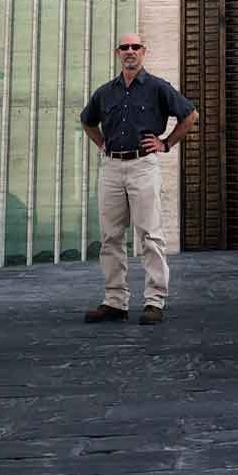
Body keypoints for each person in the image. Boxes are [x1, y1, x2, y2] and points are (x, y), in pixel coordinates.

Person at [80, 34, 198, 325]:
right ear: (117, 52)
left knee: (150, 235)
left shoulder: (158, 87)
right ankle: (114, 302)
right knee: (110, 237)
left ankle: (154, 301)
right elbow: (87, 120)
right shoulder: (105, 92)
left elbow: (190, 115)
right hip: (111, 168)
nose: (130, 51)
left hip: (143, 166)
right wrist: (101, 144)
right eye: (125, 47)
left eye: (135, 47)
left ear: (144, 52)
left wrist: (166, 143)